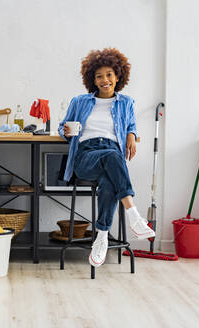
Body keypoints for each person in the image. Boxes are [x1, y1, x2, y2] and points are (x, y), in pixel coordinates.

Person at [58, 48, 155, 267]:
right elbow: (63, 126)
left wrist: (132, 134)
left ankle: (101, 238)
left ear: (118, 76)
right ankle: (134, 215)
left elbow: (131, 124)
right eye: (99, 76)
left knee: (109, 181)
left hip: (111, 155)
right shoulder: (80, 101)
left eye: (109, 75)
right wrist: (64, 131)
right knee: (113, 157)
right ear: (92, 79)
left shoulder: (126, 102)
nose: (105, 80)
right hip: (86, 156)